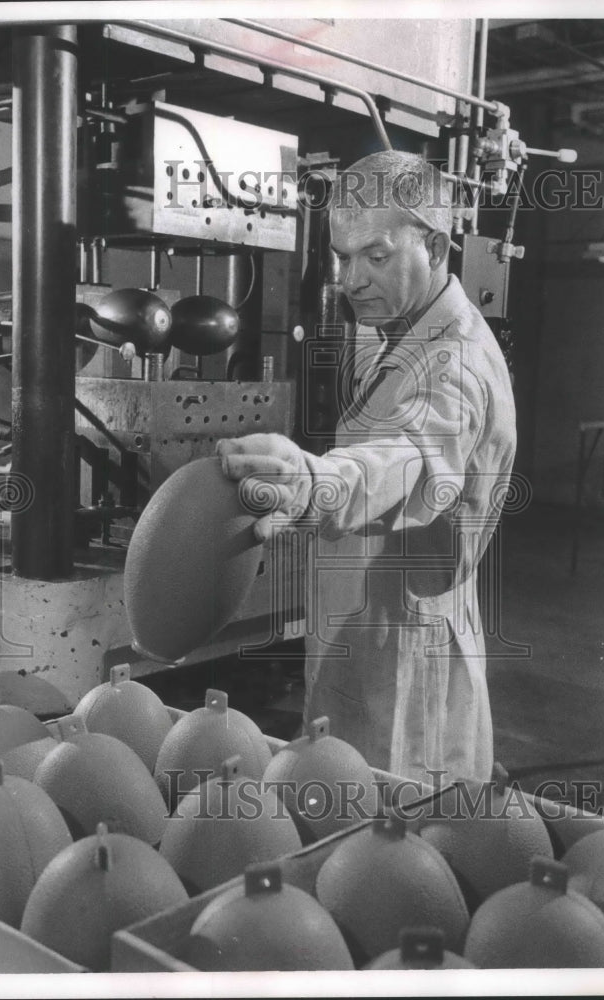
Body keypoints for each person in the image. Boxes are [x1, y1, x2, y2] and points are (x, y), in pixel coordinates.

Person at [217, 150, 517, 786]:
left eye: (374, 256)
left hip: (410, 663)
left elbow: (407, 455)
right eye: (342, 257)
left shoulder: (454, 364)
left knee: (390, 859)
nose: (351, 280)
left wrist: (321, 483)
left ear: (435, 247)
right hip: (365, 636)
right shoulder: (398, 334)